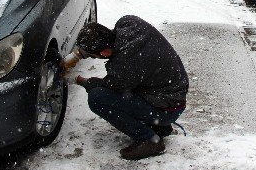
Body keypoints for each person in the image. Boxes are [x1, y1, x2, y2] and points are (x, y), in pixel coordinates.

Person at [63, 15, 188, 160]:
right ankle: (158, 126)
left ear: (103, 53)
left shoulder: (126, 65)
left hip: (167, 109)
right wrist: (78, 54)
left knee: (98, 97)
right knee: (125, 91)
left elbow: (108, 86)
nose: (94, 58)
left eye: (94, 56)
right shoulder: (128, 23)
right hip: (170, 95)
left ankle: (150, 140)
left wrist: (77, 79)